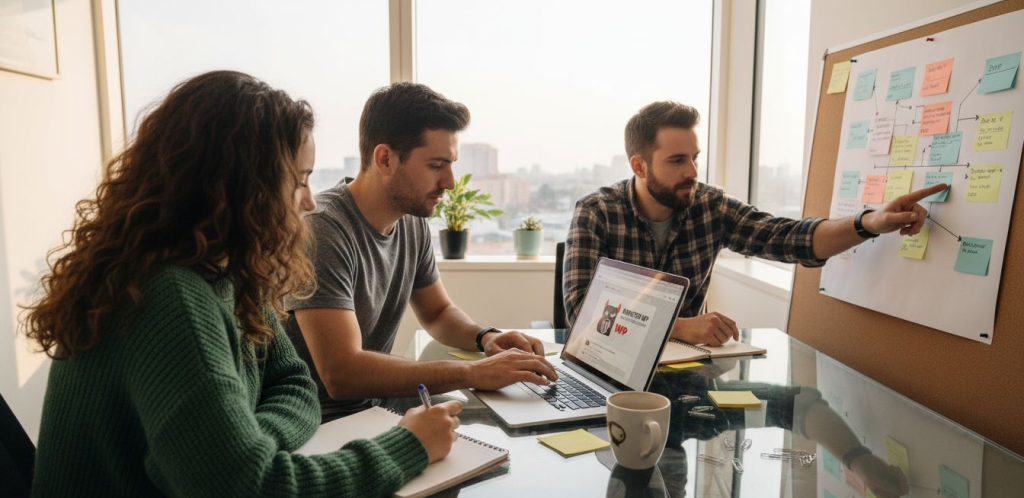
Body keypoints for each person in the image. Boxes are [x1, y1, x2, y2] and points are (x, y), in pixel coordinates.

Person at [17, 71, 461, 498]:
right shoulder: (166, 298)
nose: (310, 201)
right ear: (238, 186)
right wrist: (409, 444)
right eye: (298, 180)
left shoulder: (226, 277)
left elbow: (295, 384)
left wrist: (248, 447)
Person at [564, 101, 947, 346]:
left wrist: (870, 222)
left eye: (695, 158)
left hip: (683, 370)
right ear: (639, 166)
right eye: (677, 160)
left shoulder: (709, 206)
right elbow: (580, 313)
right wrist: (679, 326)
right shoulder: (596, 212)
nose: (693, 171)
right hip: (608, 363)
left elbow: (790, 238)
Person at [284, 82, 556, 422]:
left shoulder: (410, 221)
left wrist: (486, 337)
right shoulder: (323, 229)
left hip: (377, 406)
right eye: (436, 165)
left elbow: (438, 312)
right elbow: (341, 373)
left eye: (451, 164)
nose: (450, 182)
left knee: (511, 425)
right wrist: (471, 373)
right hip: (322, 420)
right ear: (384, 159)